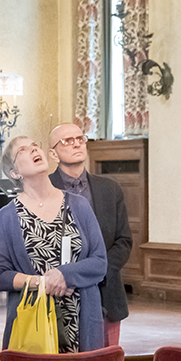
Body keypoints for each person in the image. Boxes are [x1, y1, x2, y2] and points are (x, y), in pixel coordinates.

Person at [0, 135, 108, 353]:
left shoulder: (79, 205)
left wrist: (65, 275)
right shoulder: (7, 216)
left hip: (81, 322)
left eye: (35, 145)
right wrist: (41, 283)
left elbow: (99, 262)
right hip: (33, 326)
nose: (34, 149)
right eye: (23, 150)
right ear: (14, 172)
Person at [48, 123, 133, 346]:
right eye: (67, 140)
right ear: (53, 153)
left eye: (80, 138)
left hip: (105, 292)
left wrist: (95, 273)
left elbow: (123, 241)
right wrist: (67, 276)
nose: (76, 143)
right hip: (58, 294)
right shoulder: (42, 188)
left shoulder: (110, 188)